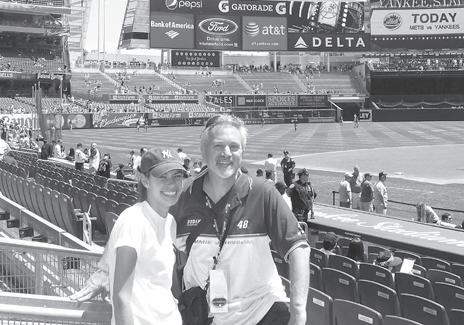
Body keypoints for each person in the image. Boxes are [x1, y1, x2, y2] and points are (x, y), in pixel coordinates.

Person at [72, 115, 310, 325]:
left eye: (234, 146)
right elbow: (134, 221)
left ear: (242, 151)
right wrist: (105, 269)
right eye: (218, 146)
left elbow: (298, 248)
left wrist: (299, 311)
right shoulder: (182, 194)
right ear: (204, 152)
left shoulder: (263, 192)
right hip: (205, 314)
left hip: (262, 313)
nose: (227, 153)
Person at [105, 147, 185, 325]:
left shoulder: (170, 222)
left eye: (177, 176)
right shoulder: (133, 220)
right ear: (145, 181)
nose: (171, 184)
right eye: (162, 177)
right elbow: (121, 297)